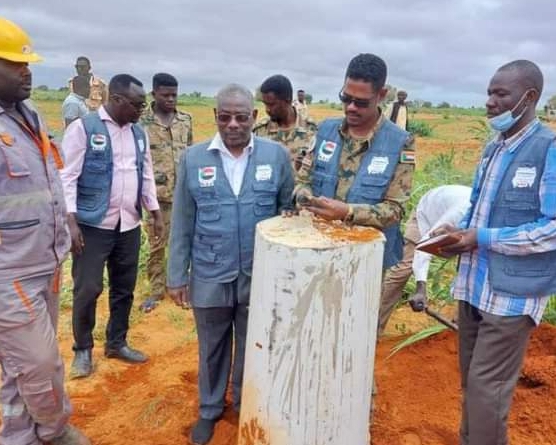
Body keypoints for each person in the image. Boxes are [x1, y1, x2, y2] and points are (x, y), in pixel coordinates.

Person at [436, 60, 556, 445]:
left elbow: (553, 228)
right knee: (472, 385)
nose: (490, 101)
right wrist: (455, 236)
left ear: (529, 97)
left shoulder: (548, 149)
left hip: (511, 296)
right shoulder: (493, 150)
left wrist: (481, 237)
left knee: (488, 391)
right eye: (489, 92)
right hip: (473, 286)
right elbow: (477, 209)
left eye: (501, 94)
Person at [167, 83, 294, 445]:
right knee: (212, 347)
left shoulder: (275, 156)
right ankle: (210, 409)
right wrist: (177, 276)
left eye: (241, 117)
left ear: (254, 116)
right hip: (210, 272)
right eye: (225, 117)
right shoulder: (193, 159)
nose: (233, 124)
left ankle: (243, 405)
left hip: (260, 274)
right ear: (215, 117)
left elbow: (288, 214)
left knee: (254, 345)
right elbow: (182, 221)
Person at [0, 17, 90, 445]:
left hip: (46, 262)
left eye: (27, 64)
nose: (27, 72)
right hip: (10, 272)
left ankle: (19, 437)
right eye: (16, 64)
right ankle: (55, 432)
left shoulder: (29, 113)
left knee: (18, 367)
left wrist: (67, 220)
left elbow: (49, 176)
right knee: (40, 363)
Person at [60, 74, 163, 379]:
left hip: (128, 225)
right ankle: (82, 349)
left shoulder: (139, 133)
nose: (142, 110)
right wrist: (71, 221)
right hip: (92, 226)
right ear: (117, 100)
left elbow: (145, 173)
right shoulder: (84, 128)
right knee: (87, 289)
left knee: (124, 288)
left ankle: (116, 343)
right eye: (137, 105)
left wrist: (154, 210)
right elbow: (67, 177)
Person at [295, 53, 415, 272]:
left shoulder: (399, 142)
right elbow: (302, 180)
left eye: (361, 102)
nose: (351, 107)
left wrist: (348, 212)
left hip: (365, 260)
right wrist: (306, 198)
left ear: (381, 95)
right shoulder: (325, 131)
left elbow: (395, 210)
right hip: (317, 249)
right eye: (346, 98)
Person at [377, 184, 471, 334]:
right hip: (426, 214)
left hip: (455, 218)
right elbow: (423, 247)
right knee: (403, 269)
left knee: (469, 266)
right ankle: (374, 327)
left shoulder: (489, 224)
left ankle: (461, 322)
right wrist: (421, 288)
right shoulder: (460, 214)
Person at [139, 73, 193, 313]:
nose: (171, 99)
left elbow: (190, 153)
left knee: (186, 241)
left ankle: (183, 284)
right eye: (165, 95)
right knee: (157, 244)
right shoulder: (142, 122)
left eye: (174, 95)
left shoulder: (185, 120)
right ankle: (156, 290)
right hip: (156, 195)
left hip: (183, 193)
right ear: (154, 94)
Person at [254, 74, 317, 171]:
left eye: (272, 105)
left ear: (288, 100)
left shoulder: (312, 130)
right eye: (265, 104)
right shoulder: (259, 131)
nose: (267, 110)